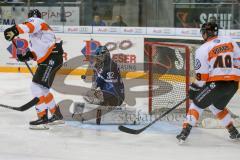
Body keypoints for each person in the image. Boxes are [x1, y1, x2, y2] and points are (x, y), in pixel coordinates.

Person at [176, 22, 240, 142]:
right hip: (233, 84)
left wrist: (193, 90)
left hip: (216, 85)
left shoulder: (202, 49)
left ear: (205, 33)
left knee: (196, 104)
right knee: (216, 107)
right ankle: (233, 132)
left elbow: (202, 78)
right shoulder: (229, 41)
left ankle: (184, 132)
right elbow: (238, 61)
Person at [4, 9, 64, 130]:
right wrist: (28, 55)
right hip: (51, 58)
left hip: (51, 58)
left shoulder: (37, 21)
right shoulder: (39, 32)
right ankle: (56, 115)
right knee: (43, 90)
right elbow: (39, 51)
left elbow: (29, 25)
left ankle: (42, 119)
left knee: (35, 87)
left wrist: (14, 30)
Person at [74, 46, 125, 122]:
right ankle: (104, 107)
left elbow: (97, 84)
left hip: (114, 96)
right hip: (116, 95)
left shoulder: (107, 67)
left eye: (100, 57)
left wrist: (95, 73)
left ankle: (83, 113)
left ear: (105, 55)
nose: (98, 59)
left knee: (88, 95)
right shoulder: (110, 64)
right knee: (93, 95)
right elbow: (101, 83)